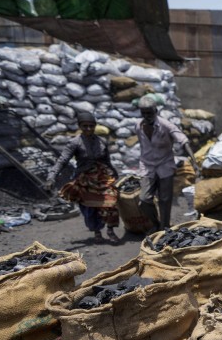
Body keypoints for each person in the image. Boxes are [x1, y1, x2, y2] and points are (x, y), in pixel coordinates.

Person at [45, 111, 121, 244]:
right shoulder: (74, 143)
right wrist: (51, 177)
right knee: (90, 207)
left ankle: (110, 231)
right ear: (80, 126)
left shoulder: (101, 142)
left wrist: (114, 173)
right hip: (84, 178)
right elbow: (62, 160)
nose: (88, 129)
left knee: (111, 202)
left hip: (102, 177)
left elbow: (107, 161)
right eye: (85, 126)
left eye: (91, 126)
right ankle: (97, 232)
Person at [135, 95, 196, 232]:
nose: (146, 116)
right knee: (144, 199)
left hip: (165, 165)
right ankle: (155, 223)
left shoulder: (165, 125)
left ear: (156, 110)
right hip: (147, 166)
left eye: (149, 113)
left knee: (165, 199)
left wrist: (193, 159)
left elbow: (183, 140)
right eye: (143, 113)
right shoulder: (138, 126)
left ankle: (164, 227)